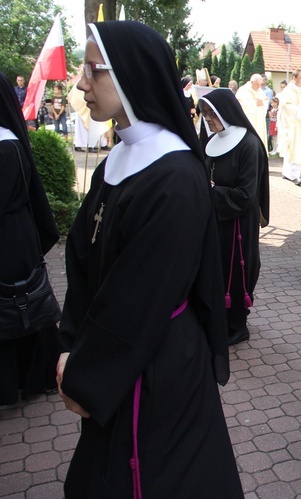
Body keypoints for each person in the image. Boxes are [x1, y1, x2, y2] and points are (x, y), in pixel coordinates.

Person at [55, 21, 242, 497]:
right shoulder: (120, 159)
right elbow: (81, 260)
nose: (80, 83)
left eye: (92, 70)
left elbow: (138, 297)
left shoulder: (175, 175)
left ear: (131, 75)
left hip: (154, 365)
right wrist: (69, 342)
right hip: (111, 347)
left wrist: (83, 372)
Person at [0, 71, 60, 405]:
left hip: (9, 239)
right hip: (12, 234)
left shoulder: (5, 145)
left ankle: (26, 378)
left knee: (17, 307)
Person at [199, 89, 270, 345]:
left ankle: (238, 325)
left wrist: (212, 190)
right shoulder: (211, 142)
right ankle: (218, 319)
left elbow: (246, 194)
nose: (207, 118)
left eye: (211, 113)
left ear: (225, 112)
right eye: (204, 113)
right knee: (213, 269)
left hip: (239, 224)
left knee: (236, 272)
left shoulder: (249, 144)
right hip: (215, 219)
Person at [277, 69, 301, 185]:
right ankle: (294, 175)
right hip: (292, 125)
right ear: (294, 78)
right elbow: (285, 107)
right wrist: (299, 109)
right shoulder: (287, 91)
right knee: (293, 148)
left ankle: (287, 173)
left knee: (298, 148)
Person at [236, 73, 269, 151]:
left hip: (259, 121)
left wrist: (263, 103)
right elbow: (239, 104)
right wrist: (254, 103)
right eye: (257, 84)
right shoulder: (243, 90)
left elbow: (265, 101)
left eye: (260, 85)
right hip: (248, 121)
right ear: (251, 82)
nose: (258, 87)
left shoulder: (260, 91)